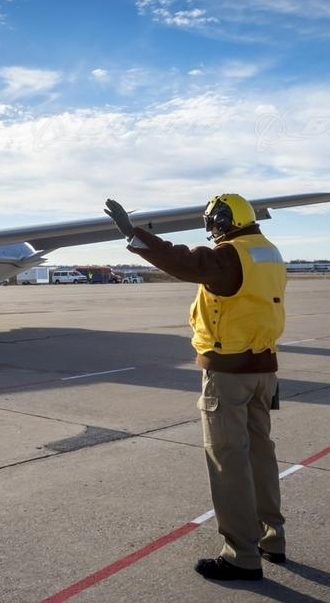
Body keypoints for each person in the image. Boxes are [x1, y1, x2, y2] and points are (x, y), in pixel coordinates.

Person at [104, 194, 286, 582]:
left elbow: (184, 261)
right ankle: (272, 538)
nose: (211, 230)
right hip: (264, 370)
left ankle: (241, 556)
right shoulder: (268, 252)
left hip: (229, 373)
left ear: (222, 221)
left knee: (228, 462)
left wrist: (133, 234)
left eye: (212, 222)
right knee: (261, 454)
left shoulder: (231, 255)